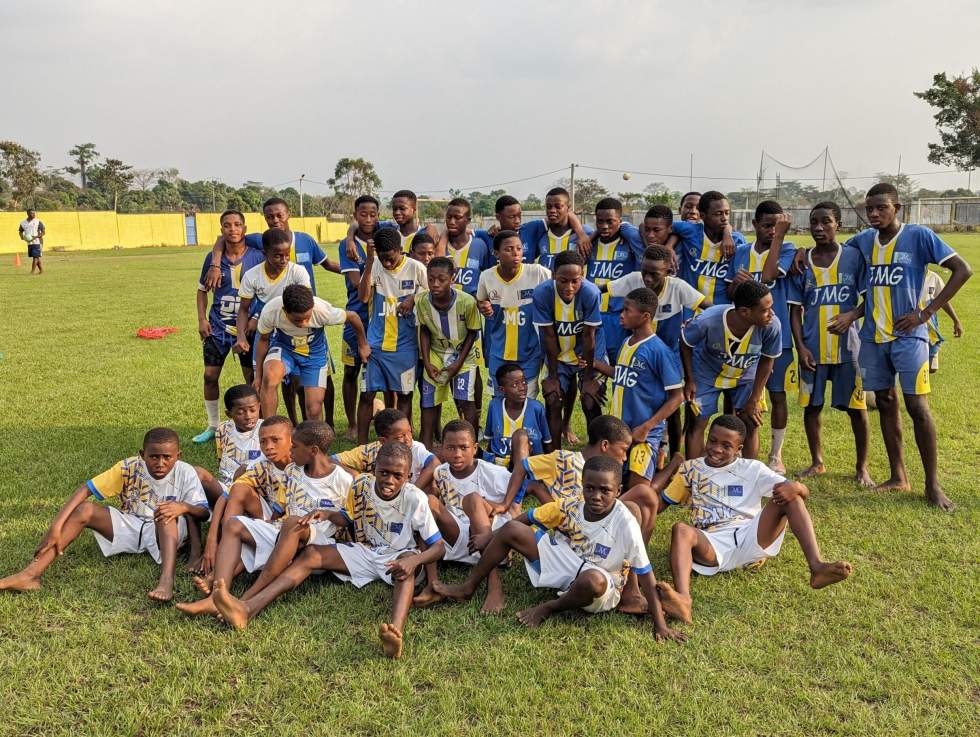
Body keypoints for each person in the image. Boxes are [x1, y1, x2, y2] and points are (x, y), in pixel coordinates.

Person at [211, 442, 446, 661]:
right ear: (375, 468)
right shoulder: (362, 484)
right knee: (311, 554)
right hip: (366, 551)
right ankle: (248, 609)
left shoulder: (415, 498)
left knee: (404, 567)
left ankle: (395, 632)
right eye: (384, 472)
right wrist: (325, 514)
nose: (390, 481)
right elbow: (346, 518)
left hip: (399, 555)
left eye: (398, 476)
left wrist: (415, 561)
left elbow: (438, 547)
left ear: (408, 476)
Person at [432, 456, 686, 641]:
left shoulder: (625, 523)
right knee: (511, 529)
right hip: (567, 559)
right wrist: (492, 536)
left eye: (605, 491)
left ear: (618, 491)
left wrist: (660, 626)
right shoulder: (571, 505)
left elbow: (646, 574)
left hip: (602, 578)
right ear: (583, 485)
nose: (596, 496)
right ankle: (468, 586)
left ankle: (547, 608)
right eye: (590, 488)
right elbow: (528, 517)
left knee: (593, 581)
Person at [656, 415, 852, 624]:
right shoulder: (691, 468)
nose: (716, 449)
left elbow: (800, 490)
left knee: (791, 496)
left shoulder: (752, 469)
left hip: (751, 536)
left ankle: (817, 567)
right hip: (711, 543)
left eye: (726, 445)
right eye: (712, 441)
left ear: (739, 448)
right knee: (681, 529)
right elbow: (660, 504)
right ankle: (683, 600)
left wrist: (798, 486)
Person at [850, 182, 972, 511]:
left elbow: (963, 270)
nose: (874, 214)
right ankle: (897, 476)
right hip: (874, 337)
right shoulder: (862, 241)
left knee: (917, 407)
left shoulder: (918, 236)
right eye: (869, 209)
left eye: (881, 208)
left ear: (897, 208)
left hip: (910, 336)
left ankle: (932, 485)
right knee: (886, 403)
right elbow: (834, 253)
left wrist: (926, 313)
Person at [0, 428, 209, 602]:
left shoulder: (185, 471)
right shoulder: (129, 467)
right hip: (133, 523)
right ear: (142, 454)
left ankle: (166, 580)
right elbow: (86, 490)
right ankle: (31, 575)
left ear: (178, 456)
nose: (160, 463)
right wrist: (56, 527)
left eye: (167, 457)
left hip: (167, 531)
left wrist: (182, 507)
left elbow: (202, 511)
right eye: (153, 456)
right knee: (86, 509)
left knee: (165, 513)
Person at [177, 421, 351, 618]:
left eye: (294, 446)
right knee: (235, 524)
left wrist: (327, 514)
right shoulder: (293, 471)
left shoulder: (342, 479)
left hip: (317, 539)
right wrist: (264, 525)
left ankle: (243, 601)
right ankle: (216, 596)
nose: (291, 451)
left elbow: (349, 519)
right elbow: (280, 506)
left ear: (313, 451)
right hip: (284, 529)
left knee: (292, 522)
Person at [204, 197, 342, 424]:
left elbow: (328, 265)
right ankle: (291, 423)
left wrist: (355, 271)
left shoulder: (306, 240)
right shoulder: (261, 240)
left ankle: (326, 425)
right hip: (273, 323)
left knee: (315, 377)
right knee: (280, 378)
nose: (275, 220)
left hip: (306, 319)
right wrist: (216, 263)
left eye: (279, 215)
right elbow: (225, 238)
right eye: (270, 216)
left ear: (288, 214)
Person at [788, 202, 872, 485]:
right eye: (814, 222)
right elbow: (795, 309)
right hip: (812, 348)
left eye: (826, 221)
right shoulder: (801, 263)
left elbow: (868, 299)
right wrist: (800, 347)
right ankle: (817, 462)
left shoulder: (853, 257)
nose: (819, 227)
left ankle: (862, 468)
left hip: (849, 348)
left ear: (838, 223)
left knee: (857, 409)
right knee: (811, 407)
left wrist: (851, 315)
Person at [604, 236, 707, 457]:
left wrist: (695, 323)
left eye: (655, 274)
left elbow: (708, 308)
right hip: (640, 354)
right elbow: (600, 290)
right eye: (645, 272)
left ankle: (673, 454)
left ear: (669, 270)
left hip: (668, 356)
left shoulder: (678, 287)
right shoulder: (633, 281)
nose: (648, 279)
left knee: (673, 407)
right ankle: (649, 446)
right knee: (641, 397)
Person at [413, 420, 516, 613]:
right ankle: (432, 584)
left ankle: (495, 587)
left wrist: (494, 508)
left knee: (473, 500)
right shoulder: (440, 472)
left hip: (492, 544)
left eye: (463, 447)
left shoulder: (494, 473)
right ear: (441, 449)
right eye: (450, 448)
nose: (457, 454)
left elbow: (519, 501)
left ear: (475, 448)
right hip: (460, 541)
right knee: (427, 501)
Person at [726, 203, 798, 473]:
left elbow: (768, 277)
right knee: (739, 398)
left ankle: (775, 454)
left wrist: (780, 237)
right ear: (755, 224)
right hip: (742, 338)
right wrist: (736, 283)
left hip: (776, 336)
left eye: (777, 226)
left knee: (777, 395)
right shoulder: (741, 253)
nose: (772, 231)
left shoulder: (788, 249)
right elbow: (732, 294)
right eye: (767, 225)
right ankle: (735, 450)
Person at [681, 281, 781, 460]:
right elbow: (686, 343)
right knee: (698, 421)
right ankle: (692, 476)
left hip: (746, 375)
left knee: (751, 422)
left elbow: (767, 360)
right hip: (708, 373)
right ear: (745, 312)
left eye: (771, 307)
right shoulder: (708, 320)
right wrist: (690, 379)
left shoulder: (772, 325)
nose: (771, 314)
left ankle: (748, 476)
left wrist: (755, 398)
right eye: (765, 310)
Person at [193, 210, 265, 442]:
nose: (232, 229)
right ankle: (213, 426)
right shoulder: (212, 259)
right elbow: (202, 291)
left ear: (244, 229)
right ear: (221, 230)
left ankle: (257, 427)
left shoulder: (257, 255)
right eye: (227, 225)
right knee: (210, 375)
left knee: (251, 379)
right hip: (218, 326)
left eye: (237, 225)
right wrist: (202, 319)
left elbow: (266, 292)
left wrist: (256, 317)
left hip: (248, 329)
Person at [232, 227, 313, 426]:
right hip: (266, 333)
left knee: (298, 384)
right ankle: (270, 429)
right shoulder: (252, 276)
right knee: (263, 381)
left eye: (287, 255)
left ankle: (300, 426)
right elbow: (243, 310)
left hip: (294, 332)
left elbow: (306, 303)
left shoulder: (298, 272)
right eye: (278, 256)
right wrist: (241, 336)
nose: (284, 260)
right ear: (264, 253)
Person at [254, 284, 369, 423]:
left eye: (307, 318)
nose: (303, 323)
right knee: (270, 376)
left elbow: (353, 317)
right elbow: (263, 340)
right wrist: (259, 376)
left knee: (314, 409)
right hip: (285, 349)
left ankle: (314, 441)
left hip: (314, 355)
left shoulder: (322, 311)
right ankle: (269, 430)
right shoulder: (271, 311)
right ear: (285, 311)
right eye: (297, 320)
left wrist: (363, 345)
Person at [196, 416, 293, 578]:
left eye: (275, 440)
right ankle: (222, 548)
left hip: (292, 526)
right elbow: (226, 496)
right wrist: (212, 540)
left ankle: (219, 573)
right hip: (270, 517)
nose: (268, 447)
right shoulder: (263, 463)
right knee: (239, 488)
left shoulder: (301, 468)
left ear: (292, 440)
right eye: (263, 442)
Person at [355, 227, 428, 442]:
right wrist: (369, 262)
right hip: (376, 345)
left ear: (401, 249)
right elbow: (363, 297)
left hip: (405, 347)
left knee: (405, 396)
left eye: (390, 258)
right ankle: (361, 445)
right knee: (367, 394)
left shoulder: (416, 268)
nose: (386, 264)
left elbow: (431, 293)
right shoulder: (375, 265)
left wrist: (413, 298)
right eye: (382, 258)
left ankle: (402, 443)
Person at [607, 288, 684, 488]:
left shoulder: (659, 350)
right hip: (619, 431)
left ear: (645, 316)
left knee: (638, 492)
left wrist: (647, 426)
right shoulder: (626, 342)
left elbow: (677, 396)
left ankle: (673, 464)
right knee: (609, 485)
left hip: (644, 433)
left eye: (626, 310)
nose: (621, 315)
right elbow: (624, 375)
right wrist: (596, 365)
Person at [533, 250, 607, 447]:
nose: (569, 287)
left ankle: (596, 452)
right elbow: (548, 335)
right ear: (553, 275)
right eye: (563, 280)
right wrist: (553, 377)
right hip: (558, 354)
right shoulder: (542, 293)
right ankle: (554, 456)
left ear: (582, 276)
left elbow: (589, 336)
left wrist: (590, 378)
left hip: (588, 353)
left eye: (575, 281)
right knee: (553, 398)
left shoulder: (590, 293)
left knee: (590, 399)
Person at [496, 415, 633, 511]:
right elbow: (522, 465)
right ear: (604, 445)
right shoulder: (563, 460)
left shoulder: (609, 474)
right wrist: (507, 503)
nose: (625, 458)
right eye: (624, 450)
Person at [415, 257, 482, 449]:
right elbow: (425, 329)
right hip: (436, 355)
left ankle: (472, 448)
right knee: (428, 404)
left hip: (463, 357)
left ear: (452, 278)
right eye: (431, 279)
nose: (435, 284)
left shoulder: (467, 302)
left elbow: (472, 332)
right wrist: (426, 362)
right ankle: (425, 451)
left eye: (441, 279)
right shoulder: (421, 301)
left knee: (465, 401)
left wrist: (458, 363)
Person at [476, 230, 552, 398]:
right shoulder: (487, 277)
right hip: (498, 351)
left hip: (530, 352)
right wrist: (484, 305)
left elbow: (556, 293)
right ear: (496, 253)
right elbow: (480, 301)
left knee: (525, 399)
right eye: (509, 249)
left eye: (518, 248)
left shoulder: (538, 273)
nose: (515, 253)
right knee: (498, 398)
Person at [337, 195, 381, 438]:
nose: (367, 218)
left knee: (386, 372)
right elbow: (356, 284)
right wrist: (350, 237)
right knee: (350, 372)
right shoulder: (348, 247)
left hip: (385, 318)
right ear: (355, 215)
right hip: (356, 317)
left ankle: (388, 420)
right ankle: (353, 424)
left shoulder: (385, 233)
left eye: (372, 214)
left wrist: (350, 232)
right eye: (362, 214)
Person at [586, 197, 645, 365]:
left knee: (620, 366)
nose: (604, 226)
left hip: (618, 318)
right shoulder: (590, 244)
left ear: (620, 220)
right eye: (600, 221)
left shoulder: (629, 242)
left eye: (610, 221)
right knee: (592, 368)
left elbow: (645, 254)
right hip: (593, 316)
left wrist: (626, 227)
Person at [332, 408, 437, 491]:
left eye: (409, 432)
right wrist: (356, 475)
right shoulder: (370, 451)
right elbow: (330, 460)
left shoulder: (415, 448)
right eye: (401, 436)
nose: (408, 439)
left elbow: (434, 463)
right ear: (383, 441)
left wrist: (413, 491)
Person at [670, 190, 742, 305]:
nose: (724, 218)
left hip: (720, 311)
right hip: (688, 310)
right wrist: (668, 247)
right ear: (703, 215)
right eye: (718, 214)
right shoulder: (690, 230)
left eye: (727, 213)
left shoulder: (737, 240)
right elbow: (655, 225)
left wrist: (727, 233)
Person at [482, 362, 552, 467]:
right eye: (515, 384)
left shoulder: (536, 408)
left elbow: (547, 443)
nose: (522, 388)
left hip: (529, 467)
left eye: (524, 382)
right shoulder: (494, 406)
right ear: (502, 390)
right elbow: (491, 443)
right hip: (500, 467)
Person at [522, 187, 594, 268]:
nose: (552, 210)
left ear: (568, 208)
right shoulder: (541, 234)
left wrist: (581, 234)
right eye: (549, 206)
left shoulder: (584, 233)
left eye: (558, 206)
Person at [213, 385, 263, 490]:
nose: (248, 416)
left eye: (253, 410)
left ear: (259, 407)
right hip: (226, 486)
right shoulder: (223, 429)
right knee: (200, 475)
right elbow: (221, 459)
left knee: (245, 469)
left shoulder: (265, 431)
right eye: (240, 412)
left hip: (253, 487)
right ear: (229, 414)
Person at [919, 268, 963, 373]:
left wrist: (956, 320)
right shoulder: (906, 276)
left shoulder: (934, 278)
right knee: (917, 365)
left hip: (931, 328)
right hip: (913, 327)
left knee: (932, 368)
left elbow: (944, 300)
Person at [19, 208, 45, 274]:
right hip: (29, 242)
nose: (34, 214)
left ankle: (32, 272)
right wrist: (22, 237)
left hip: (37, 241)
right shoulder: (23, 223)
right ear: (28, 214)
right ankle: (41, 270)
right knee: (36, 256)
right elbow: (20, 231)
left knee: (35, 257)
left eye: (34, 213)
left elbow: (43, 232)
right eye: (32, 213)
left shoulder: (38, 221)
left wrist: (35, 237)